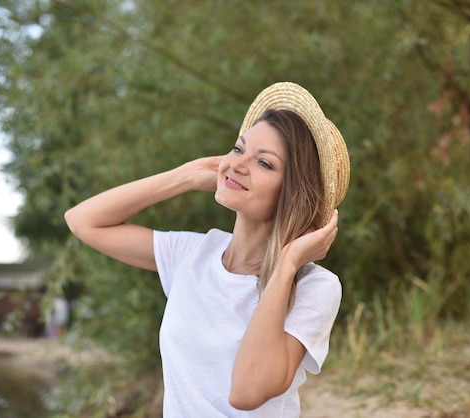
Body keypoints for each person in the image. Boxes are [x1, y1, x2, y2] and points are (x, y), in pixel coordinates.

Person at [64, 82, 350, 417]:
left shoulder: (315, 286)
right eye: (238, 149)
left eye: (265, 164)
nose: (238, 165)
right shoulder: (192, 253)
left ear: (294, 192)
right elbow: (83, 221)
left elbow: (246, 392)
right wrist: (185, 176)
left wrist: (286, 264)